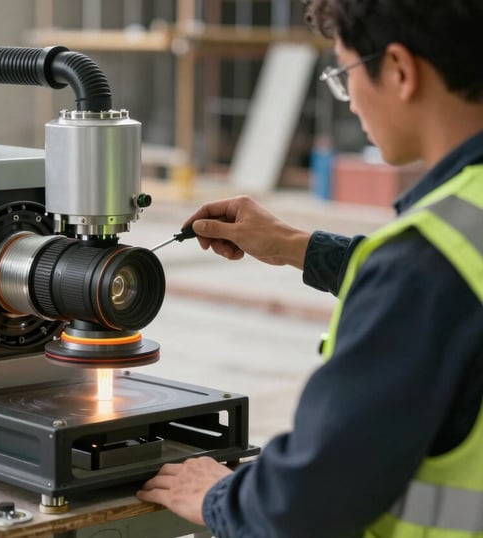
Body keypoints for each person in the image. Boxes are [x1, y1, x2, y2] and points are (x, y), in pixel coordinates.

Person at [136, 0, 483, 536]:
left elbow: (305, 504)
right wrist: (295, 246)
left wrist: (218, 496)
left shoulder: (423, 264)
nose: (350, 99)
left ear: (399, 69)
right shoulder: (452, 237)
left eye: (344, 74)